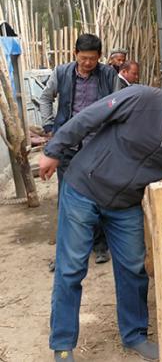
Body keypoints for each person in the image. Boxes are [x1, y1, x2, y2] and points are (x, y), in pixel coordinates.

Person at [39, 77, 162, 362]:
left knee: (134, 269)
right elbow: (88, 118)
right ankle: (62, 344)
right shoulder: (141, 99)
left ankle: (134, 335)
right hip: (84, 188)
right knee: (71, 269)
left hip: (126, 204)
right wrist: (53, 150)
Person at [39, 33, 117, 269]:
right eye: (83, 58)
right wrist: (49, 127)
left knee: (99, 195)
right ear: (75, 54)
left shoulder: (108, 74)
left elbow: (118, 103)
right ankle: (64, 253)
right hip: (69, 146)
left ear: (99, 57)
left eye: (92, 59)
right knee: (67, 198)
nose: (87, 63)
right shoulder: (62, 73)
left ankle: (100, 245)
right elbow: (45, 98)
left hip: (97, 145)